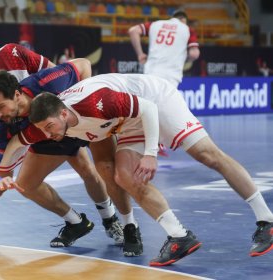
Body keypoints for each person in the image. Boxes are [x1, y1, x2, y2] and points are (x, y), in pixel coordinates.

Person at [28, 73, 273, 265]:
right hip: (129, 121)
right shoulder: (54, 121)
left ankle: (267, 220)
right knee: (124, 176)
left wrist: (150, 154)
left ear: (62, 113)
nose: (48, 135)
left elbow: (147, 108)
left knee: (208, 155)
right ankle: (179, 237)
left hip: (155, 100)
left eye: (50, 127)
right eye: (44, 130)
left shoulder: (94, 102)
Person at [0, 37, 124, 247]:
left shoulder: (12, 55)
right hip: (17, 132)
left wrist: (75, 111)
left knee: (88, 167)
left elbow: (59, 77)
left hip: (52, 118)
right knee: (1, 182)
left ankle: (111, 219)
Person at [0, 62, 142, 255]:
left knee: (105, 168)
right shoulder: (1, 123)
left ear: (16, 94)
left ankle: (125, 224)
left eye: (1, 107)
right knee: (26, 184)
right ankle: (76, 221)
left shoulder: (46, 81)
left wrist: (84, 97)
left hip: (82, 120)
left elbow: (84, 64)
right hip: (49, 136)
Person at [128, 10, 200, 87]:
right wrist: (187, 60)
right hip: (171, 75)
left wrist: (140, 54)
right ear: (183, 20)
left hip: (151, 72)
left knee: (149, 98)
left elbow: (133, 31)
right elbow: (194, 54)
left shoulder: (156, 24)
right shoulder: (187, 29)